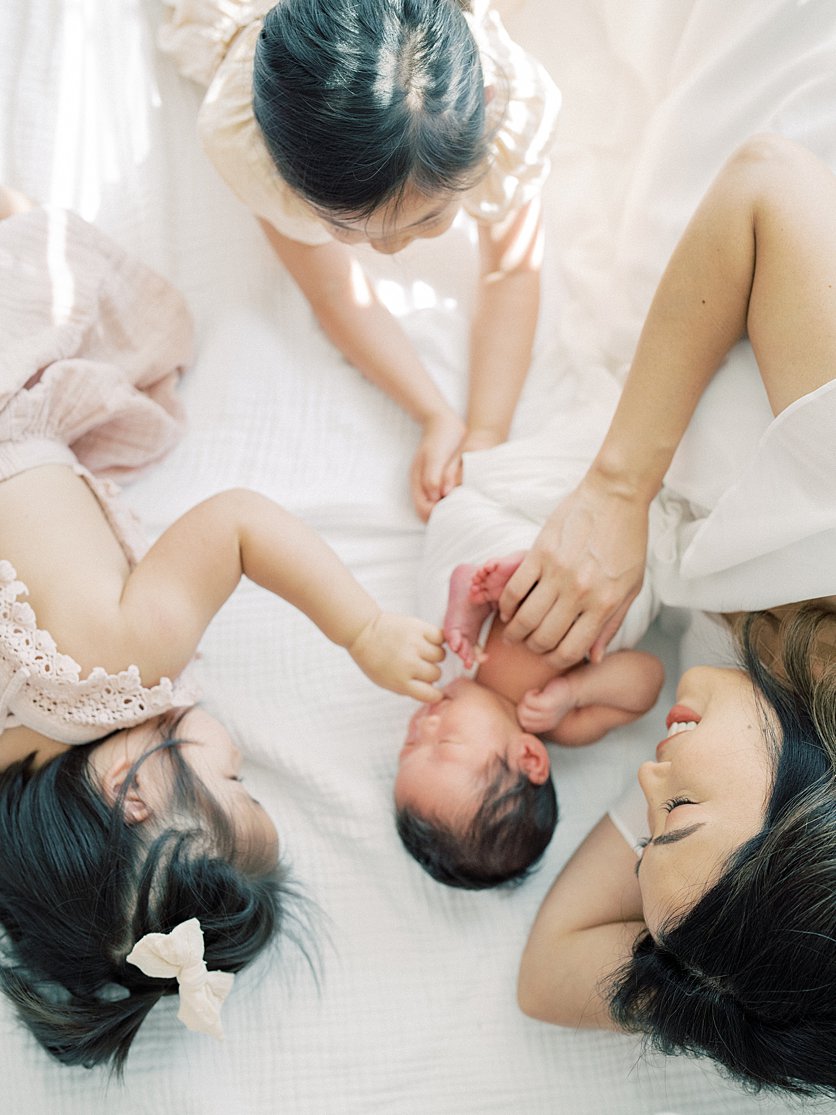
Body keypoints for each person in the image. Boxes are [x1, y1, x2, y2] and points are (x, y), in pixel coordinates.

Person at [0, 190, 444, 1072]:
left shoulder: (127, 663)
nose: (235, 747)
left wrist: (361, 630)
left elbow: (239, 522)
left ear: (132, 792)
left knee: (149, 334)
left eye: (232, 775)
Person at [515, 135, 836, 1098]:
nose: (647, 779)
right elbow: (765, 185)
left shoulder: (747, 711)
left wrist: (744, 1007)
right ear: (805, 815)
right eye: (678, 814)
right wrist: (618, 487)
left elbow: (548, 969)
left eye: (647, 831)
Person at [158, 0, 561, 519]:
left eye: (428, 219)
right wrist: (433, 414)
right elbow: (332, 291)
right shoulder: (243, 142)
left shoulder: (506, 108)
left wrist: (487, 428)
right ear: (281, 166)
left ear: (484, 109)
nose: (391, 251)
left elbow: (512, 269)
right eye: (346, 229)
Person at [395, 552, 663, 888]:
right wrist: (575, 690)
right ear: (529, 757)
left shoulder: (444, 668)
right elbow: (649, 681)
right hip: (591, 558)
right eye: (446, 742)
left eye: (411, 744)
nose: (424, 725)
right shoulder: (559, 723)